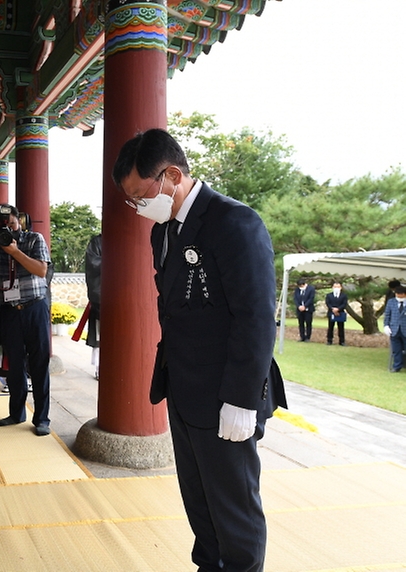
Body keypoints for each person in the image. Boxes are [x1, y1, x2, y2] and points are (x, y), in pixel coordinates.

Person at [113, 128, 287, 572]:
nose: (137, 207)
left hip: (227, 394)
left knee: (234, 509)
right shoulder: (164, 232)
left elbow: (256, 317)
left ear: (171, 175)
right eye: (130, 200)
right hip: (186, 388)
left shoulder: (234, 222)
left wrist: (242, 401)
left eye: (140, 194)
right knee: (199, 501)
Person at [0, 203, 52, 436]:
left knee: (39, 364)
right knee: (14, 365)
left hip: (35, 307)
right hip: (8, 310)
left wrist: (14, 251)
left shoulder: (34, 239)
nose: (10, 229)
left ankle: (42, 418)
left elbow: (41, 270)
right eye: (4, 226)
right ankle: (16, 413)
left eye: (13, 224)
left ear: (20, 222)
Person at [84, 233, 102, 378]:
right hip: (101, 296)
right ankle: (98, 368)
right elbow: (93, 264)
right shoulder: (97, 242)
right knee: (98, 337)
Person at [383, 285, 406, 372]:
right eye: (397, 295)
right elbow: (387, 315)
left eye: (401, 295)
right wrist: (386, 326)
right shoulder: (391, 302)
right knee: (396, 350)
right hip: (394, 329)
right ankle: (397, 366)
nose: (399, 297)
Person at [325, 281, 348, 346]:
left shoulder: (344, 295)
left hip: (340, 313)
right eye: (335, 287)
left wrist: (338, 309)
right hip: (331, 312)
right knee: (330, 327)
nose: (336, 288)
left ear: (340, 287)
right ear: (332, 287)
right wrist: (333, 309)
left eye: (338, 287)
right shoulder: (329, 295)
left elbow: (344, 304)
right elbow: (328, 303)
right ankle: (329, 340)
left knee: (341, 327)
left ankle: (342, 341)